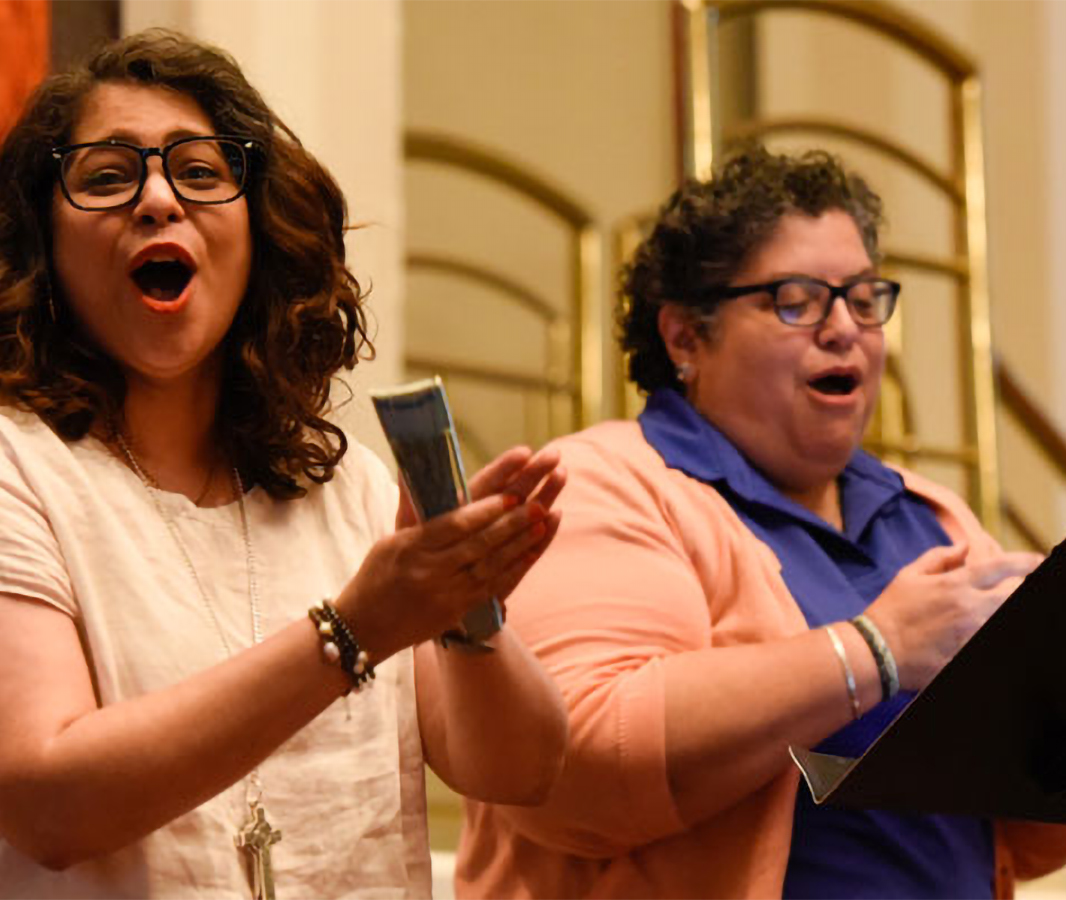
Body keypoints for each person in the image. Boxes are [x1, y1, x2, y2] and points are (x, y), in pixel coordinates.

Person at [0, 30, 568, 899]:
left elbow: (520, 770)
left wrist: (465, 608)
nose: (159, 199)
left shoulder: (347, 491)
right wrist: (355, 631)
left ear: (261, 236)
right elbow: (48, 802)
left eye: (200, 174)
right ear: (44, 249)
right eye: (108, 177)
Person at [455, 147, 1066, 899]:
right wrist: (877, 649)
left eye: (865, 297)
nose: (845, 328)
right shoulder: (600, 485)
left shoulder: (933, 514)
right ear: (685, 338)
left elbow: (1021, 836)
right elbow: (574, 767)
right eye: (797, 299)